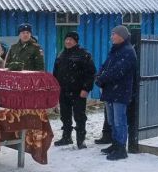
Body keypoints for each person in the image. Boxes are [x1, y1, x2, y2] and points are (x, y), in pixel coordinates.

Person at [95, 25, 137, 161]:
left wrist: (101, 79)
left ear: (122, 36)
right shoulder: (115, 50)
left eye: (114, 34)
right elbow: (105, 65)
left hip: (120, 91)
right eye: (112, 34)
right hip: (110, 90)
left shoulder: (128, 51)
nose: (112, 37)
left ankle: (121, 148)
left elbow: (118, 71)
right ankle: (115, 144)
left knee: (120, 121)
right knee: (112, 120)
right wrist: (99, 75)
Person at [53, 32, 96, 149]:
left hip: (78, 92)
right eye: (66, 39)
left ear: (76, 41)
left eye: (71, 40)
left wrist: (86, 88)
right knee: (65, 115)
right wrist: (56, 88)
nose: (68, 41)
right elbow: (56, 73)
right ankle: (66, 137)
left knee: (79, 116)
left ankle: (81, 140)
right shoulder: (61, 55)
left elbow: (90, 73)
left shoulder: (83, 54)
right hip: (64, 90)